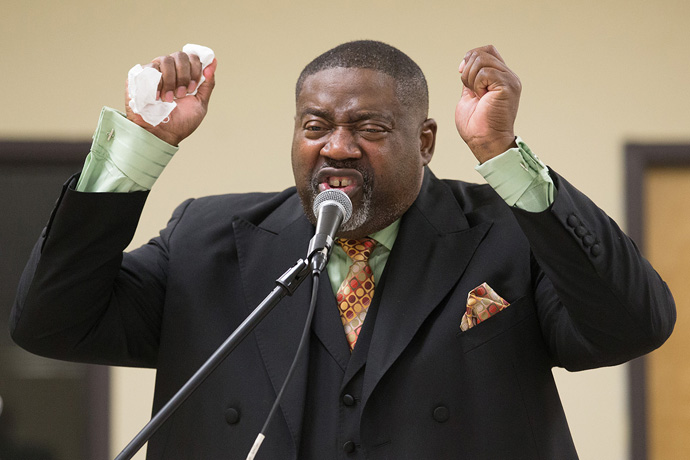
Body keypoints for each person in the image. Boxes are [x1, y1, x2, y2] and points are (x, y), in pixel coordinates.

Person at [10, 41, 675, 459]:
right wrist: (136, 147)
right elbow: (52, 321)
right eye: (316, 125)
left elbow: (632, 324)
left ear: (427, 140)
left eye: (370, 126)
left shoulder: (510, 232)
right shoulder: (206, 240)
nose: (336, 146)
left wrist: (504, 158)